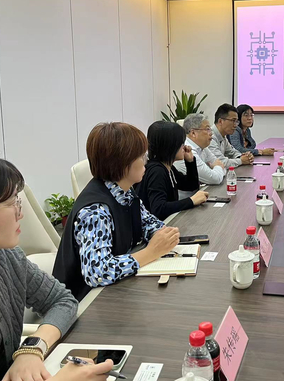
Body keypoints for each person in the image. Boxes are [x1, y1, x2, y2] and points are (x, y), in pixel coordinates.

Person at [0, 147, 113, 381]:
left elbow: (62, 301)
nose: (20, 213)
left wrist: (32, 348)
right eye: (10, 203)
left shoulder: (4, 259)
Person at [53, 122, 180, 301]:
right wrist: (150, 252)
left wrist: (163, 236)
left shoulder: (125, 192)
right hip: (85, 302)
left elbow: (149, 224)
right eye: (141, 156)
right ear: (122, 163)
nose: (146, 160)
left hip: (116, 290)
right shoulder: (95, 211)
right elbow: (98, 273)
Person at [137, 121, 209, 221]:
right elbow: (158, 209)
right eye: (181, 143)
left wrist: (190, 162)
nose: (185, 147)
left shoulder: (168, 167)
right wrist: (191, 201)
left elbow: (191, 185)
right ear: (170, 146)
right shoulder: (157, 171)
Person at [174, 113, 226, 187]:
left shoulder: (203, 147)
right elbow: (215, 179)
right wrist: (217, 167)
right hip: (189, 194)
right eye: (207, 129)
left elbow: (222, 165)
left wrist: (217, 168)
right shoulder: (187, 150)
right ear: (193, 133)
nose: (211, 133)